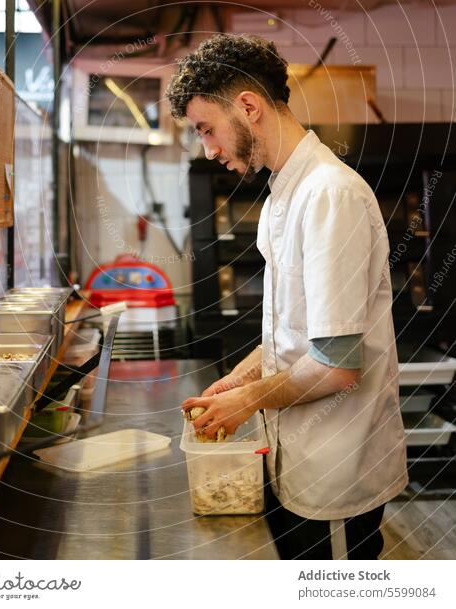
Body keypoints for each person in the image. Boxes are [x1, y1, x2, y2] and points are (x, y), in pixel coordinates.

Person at [166, 34, 408, 560]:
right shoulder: (285, 191)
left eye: (207, 129)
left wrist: (245, 402)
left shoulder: (329, 196)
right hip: (295, 457)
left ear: (248, 107)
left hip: (336, 474)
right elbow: (295, 331)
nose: (208, 148)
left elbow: (338, 367)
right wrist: (241, 378)